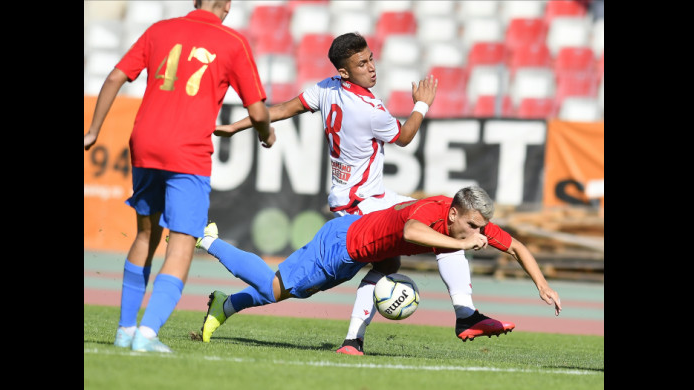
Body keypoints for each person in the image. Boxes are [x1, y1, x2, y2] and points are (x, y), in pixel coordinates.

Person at [209, 32, 508, 355]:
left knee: (436, 226)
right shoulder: (369, 109)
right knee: (293, 285)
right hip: (360, 206)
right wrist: (422, 104)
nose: (371, 68)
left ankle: (460, 315)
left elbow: (284, 108)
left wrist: (237, 126)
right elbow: (405, 136)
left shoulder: (326, 88)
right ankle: (371, 336)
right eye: (361, 64)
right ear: (344, 72)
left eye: (371, 59)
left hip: (369, 196)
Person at [83, 0, 274, 353]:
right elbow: (259, 110)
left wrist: (93, 130)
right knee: (183, 242)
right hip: (187, 151)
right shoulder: (232, 42)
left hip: (144, 142)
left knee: (145, 235)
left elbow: (114, 77)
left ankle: (125, 329)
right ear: (227, 5)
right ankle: (148, 333)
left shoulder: (160, 30)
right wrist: (266, 134)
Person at [197, 186, 562, 349]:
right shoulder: (431, 212)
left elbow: (516, 246)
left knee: (382, 266)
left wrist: (542, 285)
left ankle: (224, 307)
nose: (478, 233)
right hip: (340, 246)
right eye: (472, 226)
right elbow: (411, 230)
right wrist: (464, 243)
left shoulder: (465, 222)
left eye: (480, 228)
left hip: (358, 251)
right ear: (453, 213)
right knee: (274, 287)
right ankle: (208, 239)